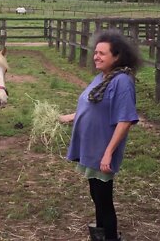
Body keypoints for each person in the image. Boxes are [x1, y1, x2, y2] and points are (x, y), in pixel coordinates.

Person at [59, 29, 142, 241]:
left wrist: (108, 154)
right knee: (96, 195)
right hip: (91, 147)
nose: (96, 56)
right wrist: (71, 116)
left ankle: (111, 237)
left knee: (104, 200)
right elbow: (93, 106)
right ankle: (100, 235)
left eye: (102, 53)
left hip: (103, 149)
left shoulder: (122, 81)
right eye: (95, 52)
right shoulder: (101, 77)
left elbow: (125, 121)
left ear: (117, 56)